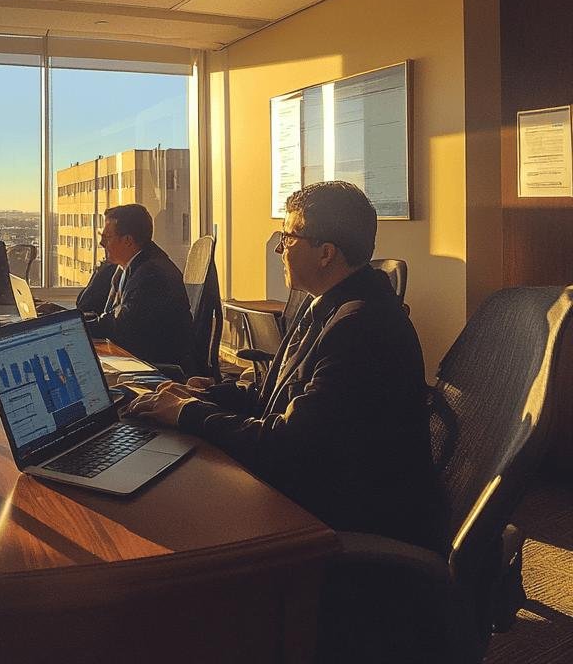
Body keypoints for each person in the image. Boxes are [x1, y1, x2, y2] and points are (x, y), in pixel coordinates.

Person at [126, 181, 442, 551]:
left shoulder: (361, 327)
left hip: (336, 524)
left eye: (288, 238)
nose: (279, 248)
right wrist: (202, 395)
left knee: (172, 523)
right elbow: (272, 395)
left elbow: (287, 448)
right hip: (314, 493)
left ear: (326, 254)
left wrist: (189, 414)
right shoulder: (327, 306)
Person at [75, 203, 193, 370]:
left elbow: (120, 326)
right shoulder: (132, 266)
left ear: (128, 241)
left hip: (153, 364)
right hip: (135, 353)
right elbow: (93, 306)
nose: (101, 243)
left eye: (107, 237)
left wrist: (74, 328)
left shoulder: (151, 275)